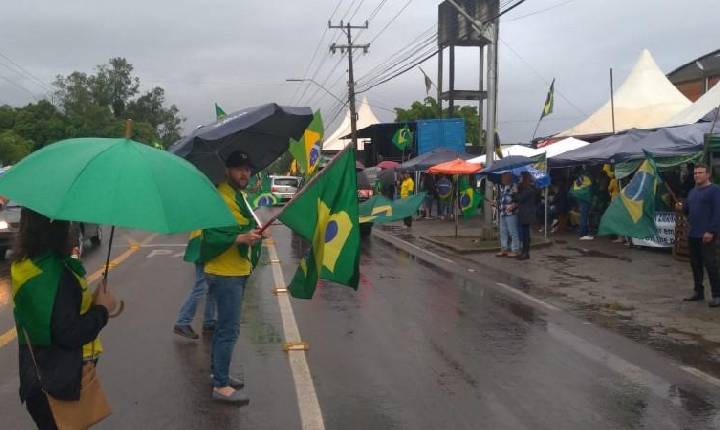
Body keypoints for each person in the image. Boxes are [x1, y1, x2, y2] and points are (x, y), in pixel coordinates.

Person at [12, 208, 117, 428]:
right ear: (57, 229)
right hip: (60, 382)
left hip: (36, 377)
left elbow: (48, 317)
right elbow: (69, 332)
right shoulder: (58, 275)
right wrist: (102, 310)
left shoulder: (26, 266)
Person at [200, 150, 263, 404]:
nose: (244, 173)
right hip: (225, 273)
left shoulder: (238, 196)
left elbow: (241, 226)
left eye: (247, 169)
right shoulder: (222, 196)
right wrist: (241, 237)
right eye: (239, 168)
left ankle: (219, 373)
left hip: (235, 270)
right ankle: (221, 385)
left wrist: (254, 233)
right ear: (227, 170)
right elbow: (211, 235)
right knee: (228, 330)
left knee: (224, 329)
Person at [677, 163, 720, 307]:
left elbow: (717, 212)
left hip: (707, 234)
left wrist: (711, 231)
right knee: (695, 265)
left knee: (711, 264)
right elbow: (688, 210)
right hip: (693, 233)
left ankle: (717, 295)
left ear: (708, 174)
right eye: (695, 173)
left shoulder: (715, 191)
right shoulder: (693, 191)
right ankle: (698, 292)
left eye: (700, 173)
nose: (697, 175)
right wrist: (681, 207)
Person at [173, 236, 217, 339]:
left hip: (206, 245)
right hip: (203, 245)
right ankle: (182, 322)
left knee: (211, 285)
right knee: (202, 286)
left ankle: (209, 322)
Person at [496, 172, 520, 257]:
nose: (502, 178)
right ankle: (504, 249)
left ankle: (515, 250)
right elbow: (503, 199)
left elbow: (519, 200)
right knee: (503, 232)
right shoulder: (503, 187)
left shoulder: (514, 186)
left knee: (512, 231)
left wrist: (514, 205)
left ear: (508, 177)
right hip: (503, 212)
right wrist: (497, 203)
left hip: (511, 213)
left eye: (503, 176)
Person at [516, 172, 537, 260]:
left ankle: (525, 252)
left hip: (526, 214)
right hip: (525, 213)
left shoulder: (528, 189)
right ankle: (524, 252)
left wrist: (515, 192)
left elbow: (519, 199)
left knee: (526, 234)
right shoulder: (526, 188)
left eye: (521, 177)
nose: (519, 179)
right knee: (525, 233)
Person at [571, 168, 594, 240]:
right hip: (585, 200)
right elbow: (589, 184)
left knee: (584, 217)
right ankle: (583, 234)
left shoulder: (578, 180)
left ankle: (585, 234)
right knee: (584, 217)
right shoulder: (584, 179)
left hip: (582, 200)